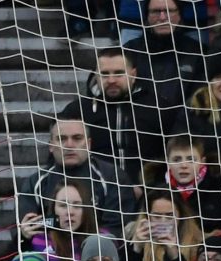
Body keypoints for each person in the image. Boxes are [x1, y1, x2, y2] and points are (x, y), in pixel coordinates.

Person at [63, 47, 170, 185]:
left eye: (119, 73)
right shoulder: (77, 110)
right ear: (96, 75)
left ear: (133, 74)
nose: (111, 80)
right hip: (93, 193)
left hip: (149, 194)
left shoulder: (159, 107)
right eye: (105, 74)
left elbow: (173, 155)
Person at [17, 115, 138, 237]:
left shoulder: (112, 177)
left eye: (77, 138)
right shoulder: (36, 183)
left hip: (99, 251)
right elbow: (29, 227)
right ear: (51, 146)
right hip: (50, 250)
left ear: (89, 144)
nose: (69, 145)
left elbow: (116, 228)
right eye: (62, 139)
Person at [19, 179, 107, 261]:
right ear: (53, 208)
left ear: (86, 209)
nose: (70, 212)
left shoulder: (103, 239)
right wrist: (22, 240)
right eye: (63, 205)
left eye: (77, 205)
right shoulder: (38, 240)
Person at [122, 0, 204, 111]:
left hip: (184, 124)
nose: (162, 17)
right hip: (139, 121)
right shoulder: (130, 50)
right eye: (155, 11)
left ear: (180, 15)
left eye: (169, 11)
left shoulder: (197, 52)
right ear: (147, 16)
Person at [150, 136, 221, 233]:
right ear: (168, 162)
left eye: (191, 159)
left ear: (202, 162)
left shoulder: (220, 191)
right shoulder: (152, 189)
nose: (184, 165)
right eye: (177, 160)